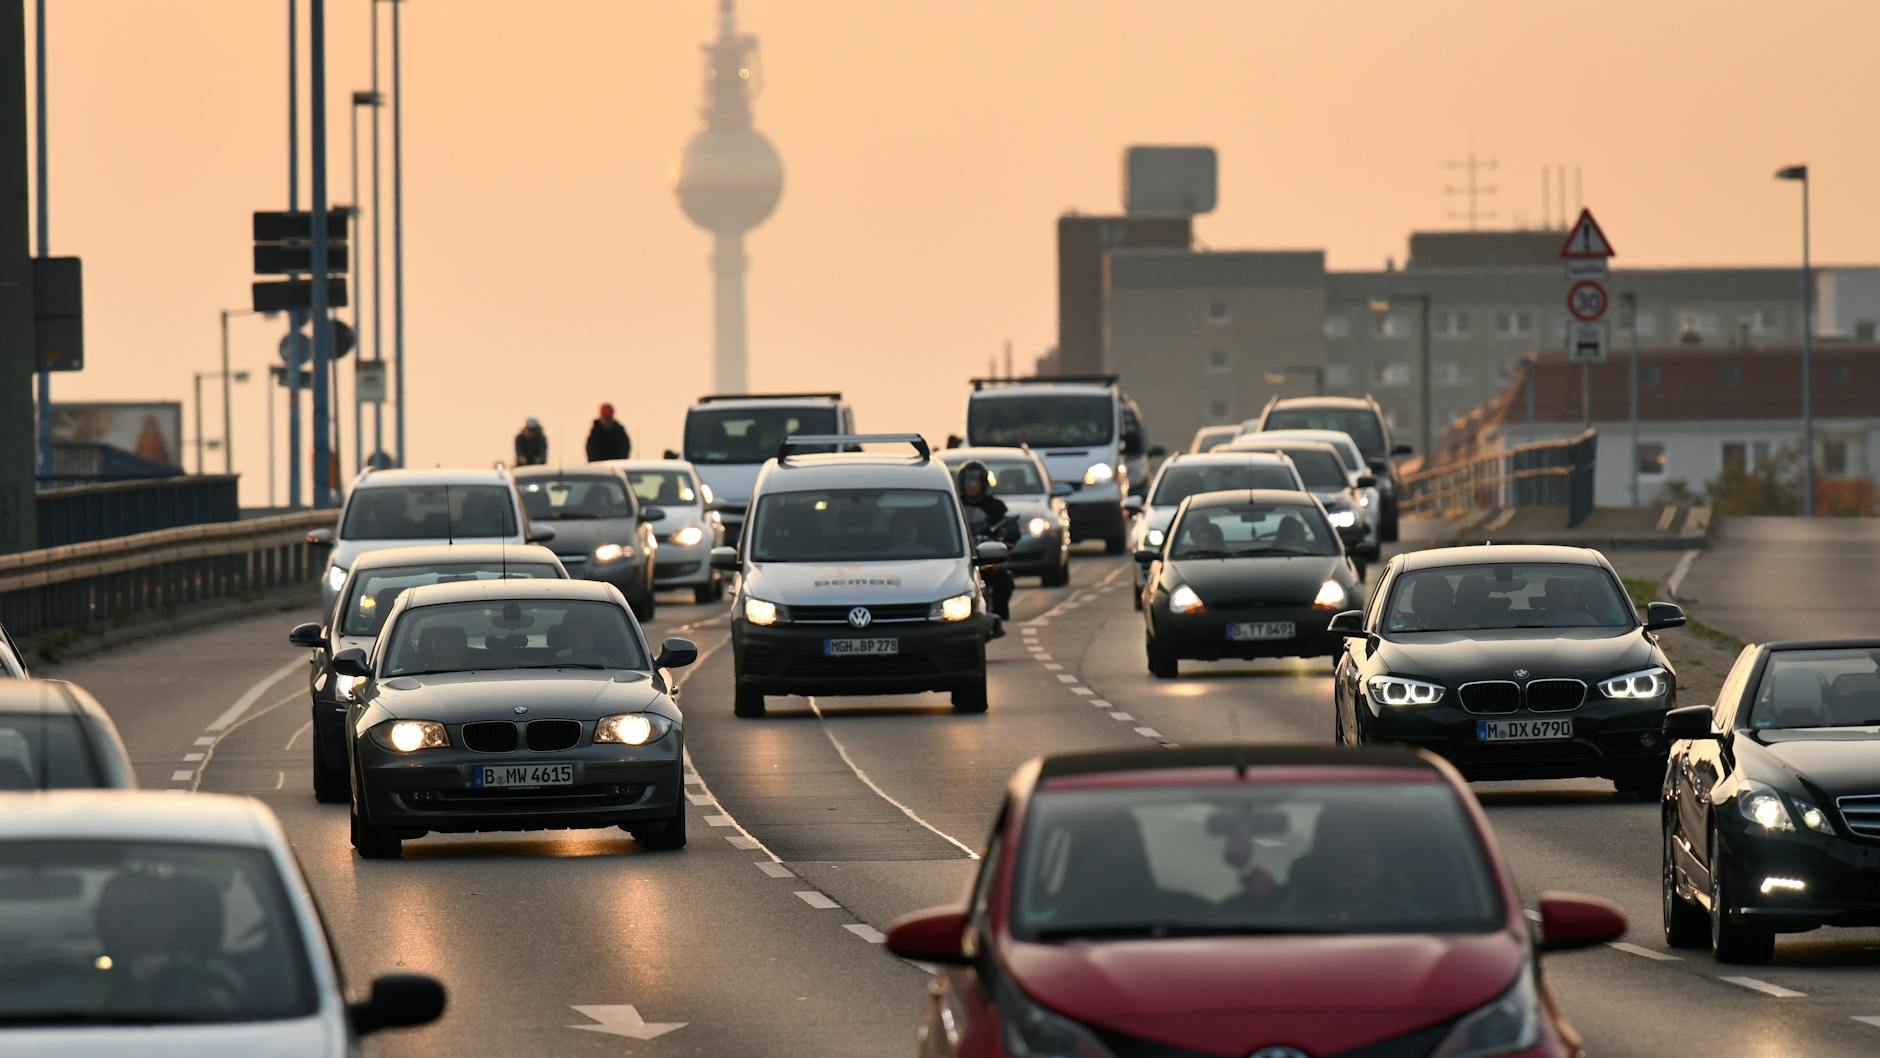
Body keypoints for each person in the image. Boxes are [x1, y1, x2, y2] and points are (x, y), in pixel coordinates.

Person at [955, 460, 1014, 632]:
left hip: (986, 554)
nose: (972, 486)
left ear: (984, 483)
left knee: (1003, 578)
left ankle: (999, 615)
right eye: (968, 481)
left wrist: (1005, 535)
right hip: (963, 555)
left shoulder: (995, 506)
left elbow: (1010, 526)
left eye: (976, 481)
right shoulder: (956, 505)